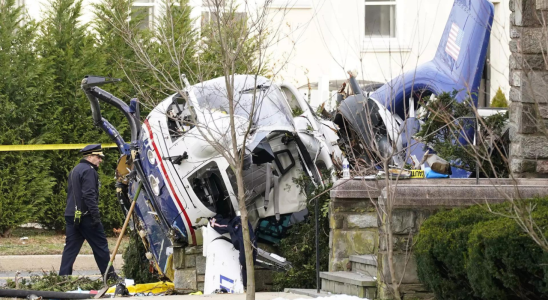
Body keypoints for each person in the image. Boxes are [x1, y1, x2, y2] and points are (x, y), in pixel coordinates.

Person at [59, 144, 116, 279]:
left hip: (71, 215)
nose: (100, 160)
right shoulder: (89, 171)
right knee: (101, 246)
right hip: (86, 217)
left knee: (70, 249)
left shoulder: (76, 169)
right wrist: (96, 216)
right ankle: (110, 277)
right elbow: (89, 195)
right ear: (90, 156)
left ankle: (63, 278)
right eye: (98, 157)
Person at [210, 214, 257, 289]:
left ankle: (247, 285)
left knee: (245, 263)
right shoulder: (237, 224)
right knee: (247, 263)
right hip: (246, 239)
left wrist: (211, 220)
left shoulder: (233, 224)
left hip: (242, 237)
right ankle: (247, 285)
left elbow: (216, 225)